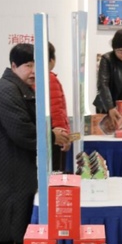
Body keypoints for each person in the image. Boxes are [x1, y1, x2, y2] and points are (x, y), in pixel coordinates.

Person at [0, 43, 38, 244]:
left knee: (18, 227)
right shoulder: (7, 90)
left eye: (36, 65)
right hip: (9, 177)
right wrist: (51, 136)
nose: (33, 71)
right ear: (14, 65)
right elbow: (22, 132)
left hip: (16, 173)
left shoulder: (18, 87)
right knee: (13, 231)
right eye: (28, 65)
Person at [48, 42, 73, 172]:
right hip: (55, 135)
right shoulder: (50, 79)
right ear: (52, 60)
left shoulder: (37, 79)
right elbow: (56, 110)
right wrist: (63, 136)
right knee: (56, 172)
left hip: (48, 133)